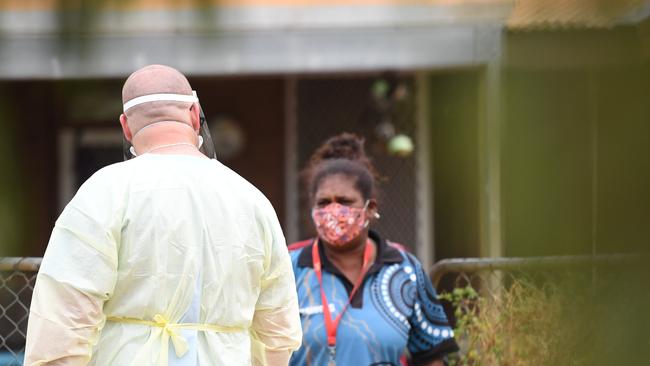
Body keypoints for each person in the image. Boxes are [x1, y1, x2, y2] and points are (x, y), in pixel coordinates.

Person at [24, 65, 302, 366]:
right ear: (195, 114)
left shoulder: (105, 192)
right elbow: (277, 328)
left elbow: (62, 320)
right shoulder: (251, 200)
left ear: (126, 127)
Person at [288, 133, 458, 366]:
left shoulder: (404, 270)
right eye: (323, 202)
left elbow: (433, 355)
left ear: (370, 208)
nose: (333, 211)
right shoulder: (288, 269)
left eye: (345, 201)